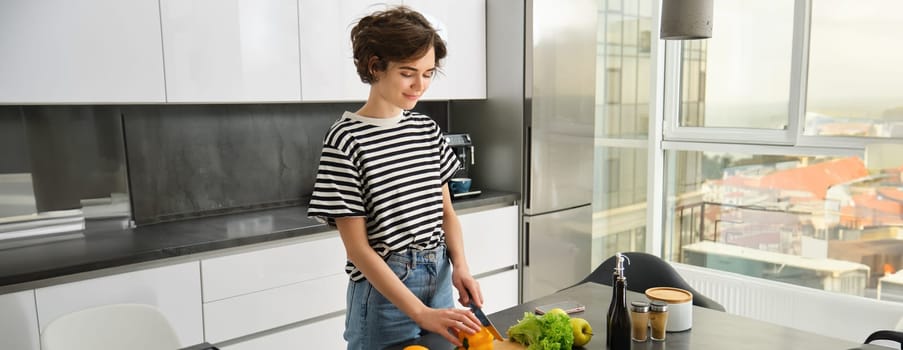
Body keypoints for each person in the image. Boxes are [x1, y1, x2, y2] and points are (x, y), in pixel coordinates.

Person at [307, 5, 484, 350]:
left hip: (441, 281)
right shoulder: (346, 139)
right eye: (408, 73)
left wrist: (461, 266)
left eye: (429, 73)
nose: (421, 85)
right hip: (385, 298)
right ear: (375, 67)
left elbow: (446, 212)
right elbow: (358, 249)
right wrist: (419, 312)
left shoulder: (426, 129)